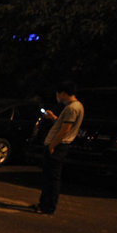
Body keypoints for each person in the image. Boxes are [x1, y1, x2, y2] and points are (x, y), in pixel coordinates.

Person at [32, 82, 84, 215]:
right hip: (58, 145)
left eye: (57, 93)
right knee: (49, 177)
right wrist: (54, 118)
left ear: (63, 93)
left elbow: (65, 130)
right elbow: (65, 125)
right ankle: (43, 204)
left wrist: (52, 145)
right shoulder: (76, 107)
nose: (57, 96)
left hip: (58, 146)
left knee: (52, 178)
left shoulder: (72, 108)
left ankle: (47, 207)